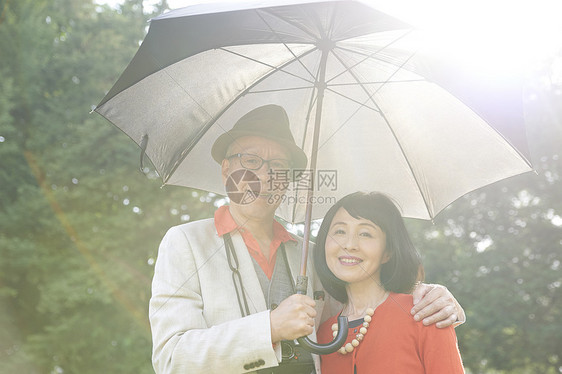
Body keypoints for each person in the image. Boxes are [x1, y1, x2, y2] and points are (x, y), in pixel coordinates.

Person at [149, 105, 465, 374]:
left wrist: (434, 298)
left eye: (279, 167)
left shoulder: (312, 255)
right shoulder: (185, 243)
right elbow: (171, 358)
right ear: (227, 169)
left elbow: (364, 308)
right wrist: (269, 327)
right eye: (250, 161)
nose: (264, 176)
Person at [315, 192, 464, 373]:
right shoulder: (321, 334)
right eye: (339, 231)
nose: (349, 244)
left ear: (388, 252)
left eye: (365, 233)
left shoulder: (425, 313)